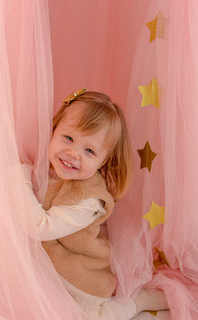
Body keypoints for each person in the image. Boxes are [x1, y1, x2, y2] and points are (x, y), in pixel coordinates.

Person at [22, 89, 170, 320]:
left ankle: (137, 301)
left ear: (103, 162)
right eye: (68, 138)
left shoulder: (90, 200)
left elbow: (40, 227)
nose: (73, 153)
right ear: (53, 130)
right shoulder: (46, 168)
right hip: (48, 267)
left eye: (89, 151)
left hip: (78, 278)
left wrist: (17, 178)